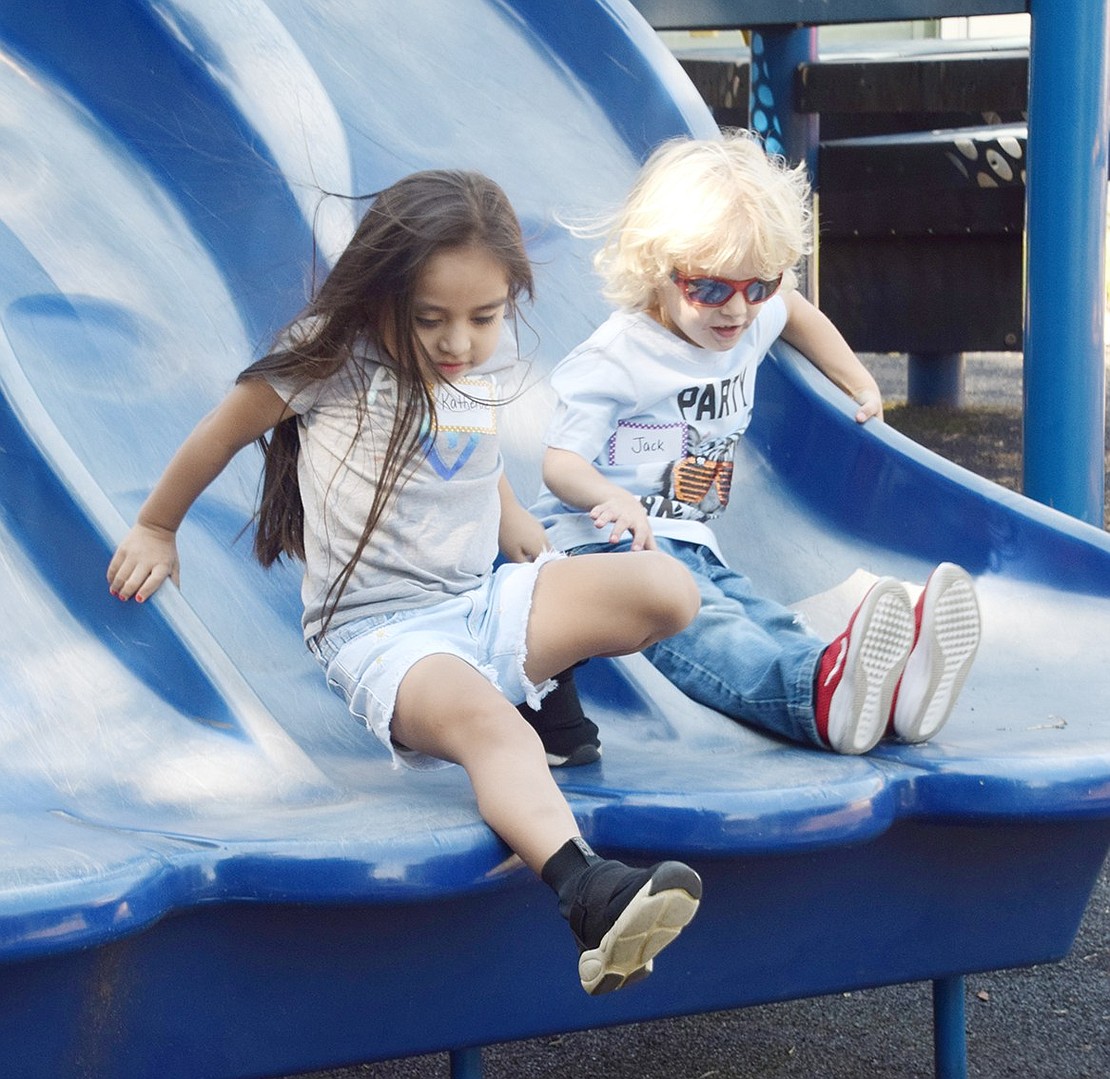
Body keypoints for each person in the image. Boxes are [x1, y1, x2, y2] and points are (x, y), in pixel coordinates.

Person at [106, 169, 703, 996]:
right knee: (496, 732)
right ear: (382, 294)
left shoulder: (469, 365)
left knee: (667, 590)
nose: (458, 340)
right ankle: (588, 892)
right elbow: (221, 431)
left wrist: (509, 520)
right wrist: (157, 526)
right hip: (382, 633)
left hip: (477, 604)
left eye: (484, 317)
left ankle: (545, 688)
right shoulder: (329, 357)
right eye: (432, 318)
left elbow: (460, 445)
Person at [531, 131, 981, 757]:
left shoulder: (750, 312)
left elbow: (795, 313)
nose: (737, 311)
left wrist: (856, 379)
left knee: (760, 616)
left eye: (757, 286)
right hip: (604, 552)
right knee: (711, 632)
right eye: (710, 288)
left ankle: (881, 692)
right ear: (656, 270)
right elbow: (560, 464)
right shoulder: (618, 358)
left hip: (690, 543)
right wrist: (612, 497)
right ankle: (814, 697)